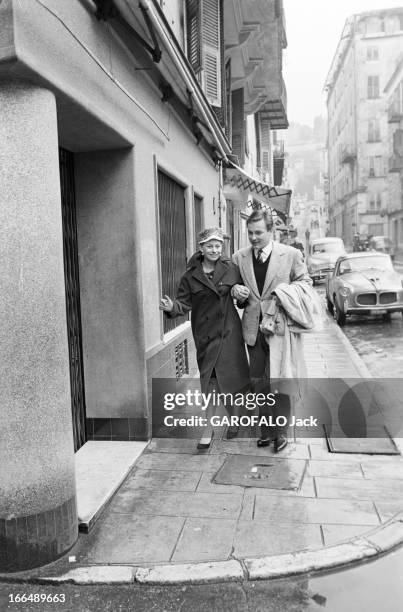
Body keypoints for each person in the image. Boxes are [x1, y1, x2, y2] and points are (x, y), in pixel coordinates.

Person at [160, 227, 250, 449]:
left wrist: (240, 295)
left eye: (218, 245)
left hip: (229, 333)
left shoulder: (232, 269)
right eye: (209, 245)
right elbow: (184, 304)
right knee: (210, 382)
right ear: (201, 248)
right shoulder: (190, 276)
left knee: (229, 380)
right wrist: (173, 307)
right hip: (206, 336)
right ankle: (209, 427)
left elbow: (243, 299)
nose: (214, 249)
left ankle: (233, 418)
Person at [232, 210, 312, 452]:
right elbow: (238, 292)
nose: (254, 238)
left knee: (281, 380)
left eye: (259, 232)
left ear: (271, 231)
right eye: (250, 233)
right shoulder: (239, 258)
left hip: (280, 330)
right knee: (259, 383)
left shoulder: (291, 255)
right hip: (253, 331)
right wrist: (237, 292)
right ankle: (266, 432)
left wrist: (283, 293)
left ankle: (282, 433)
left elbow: (306, 284)